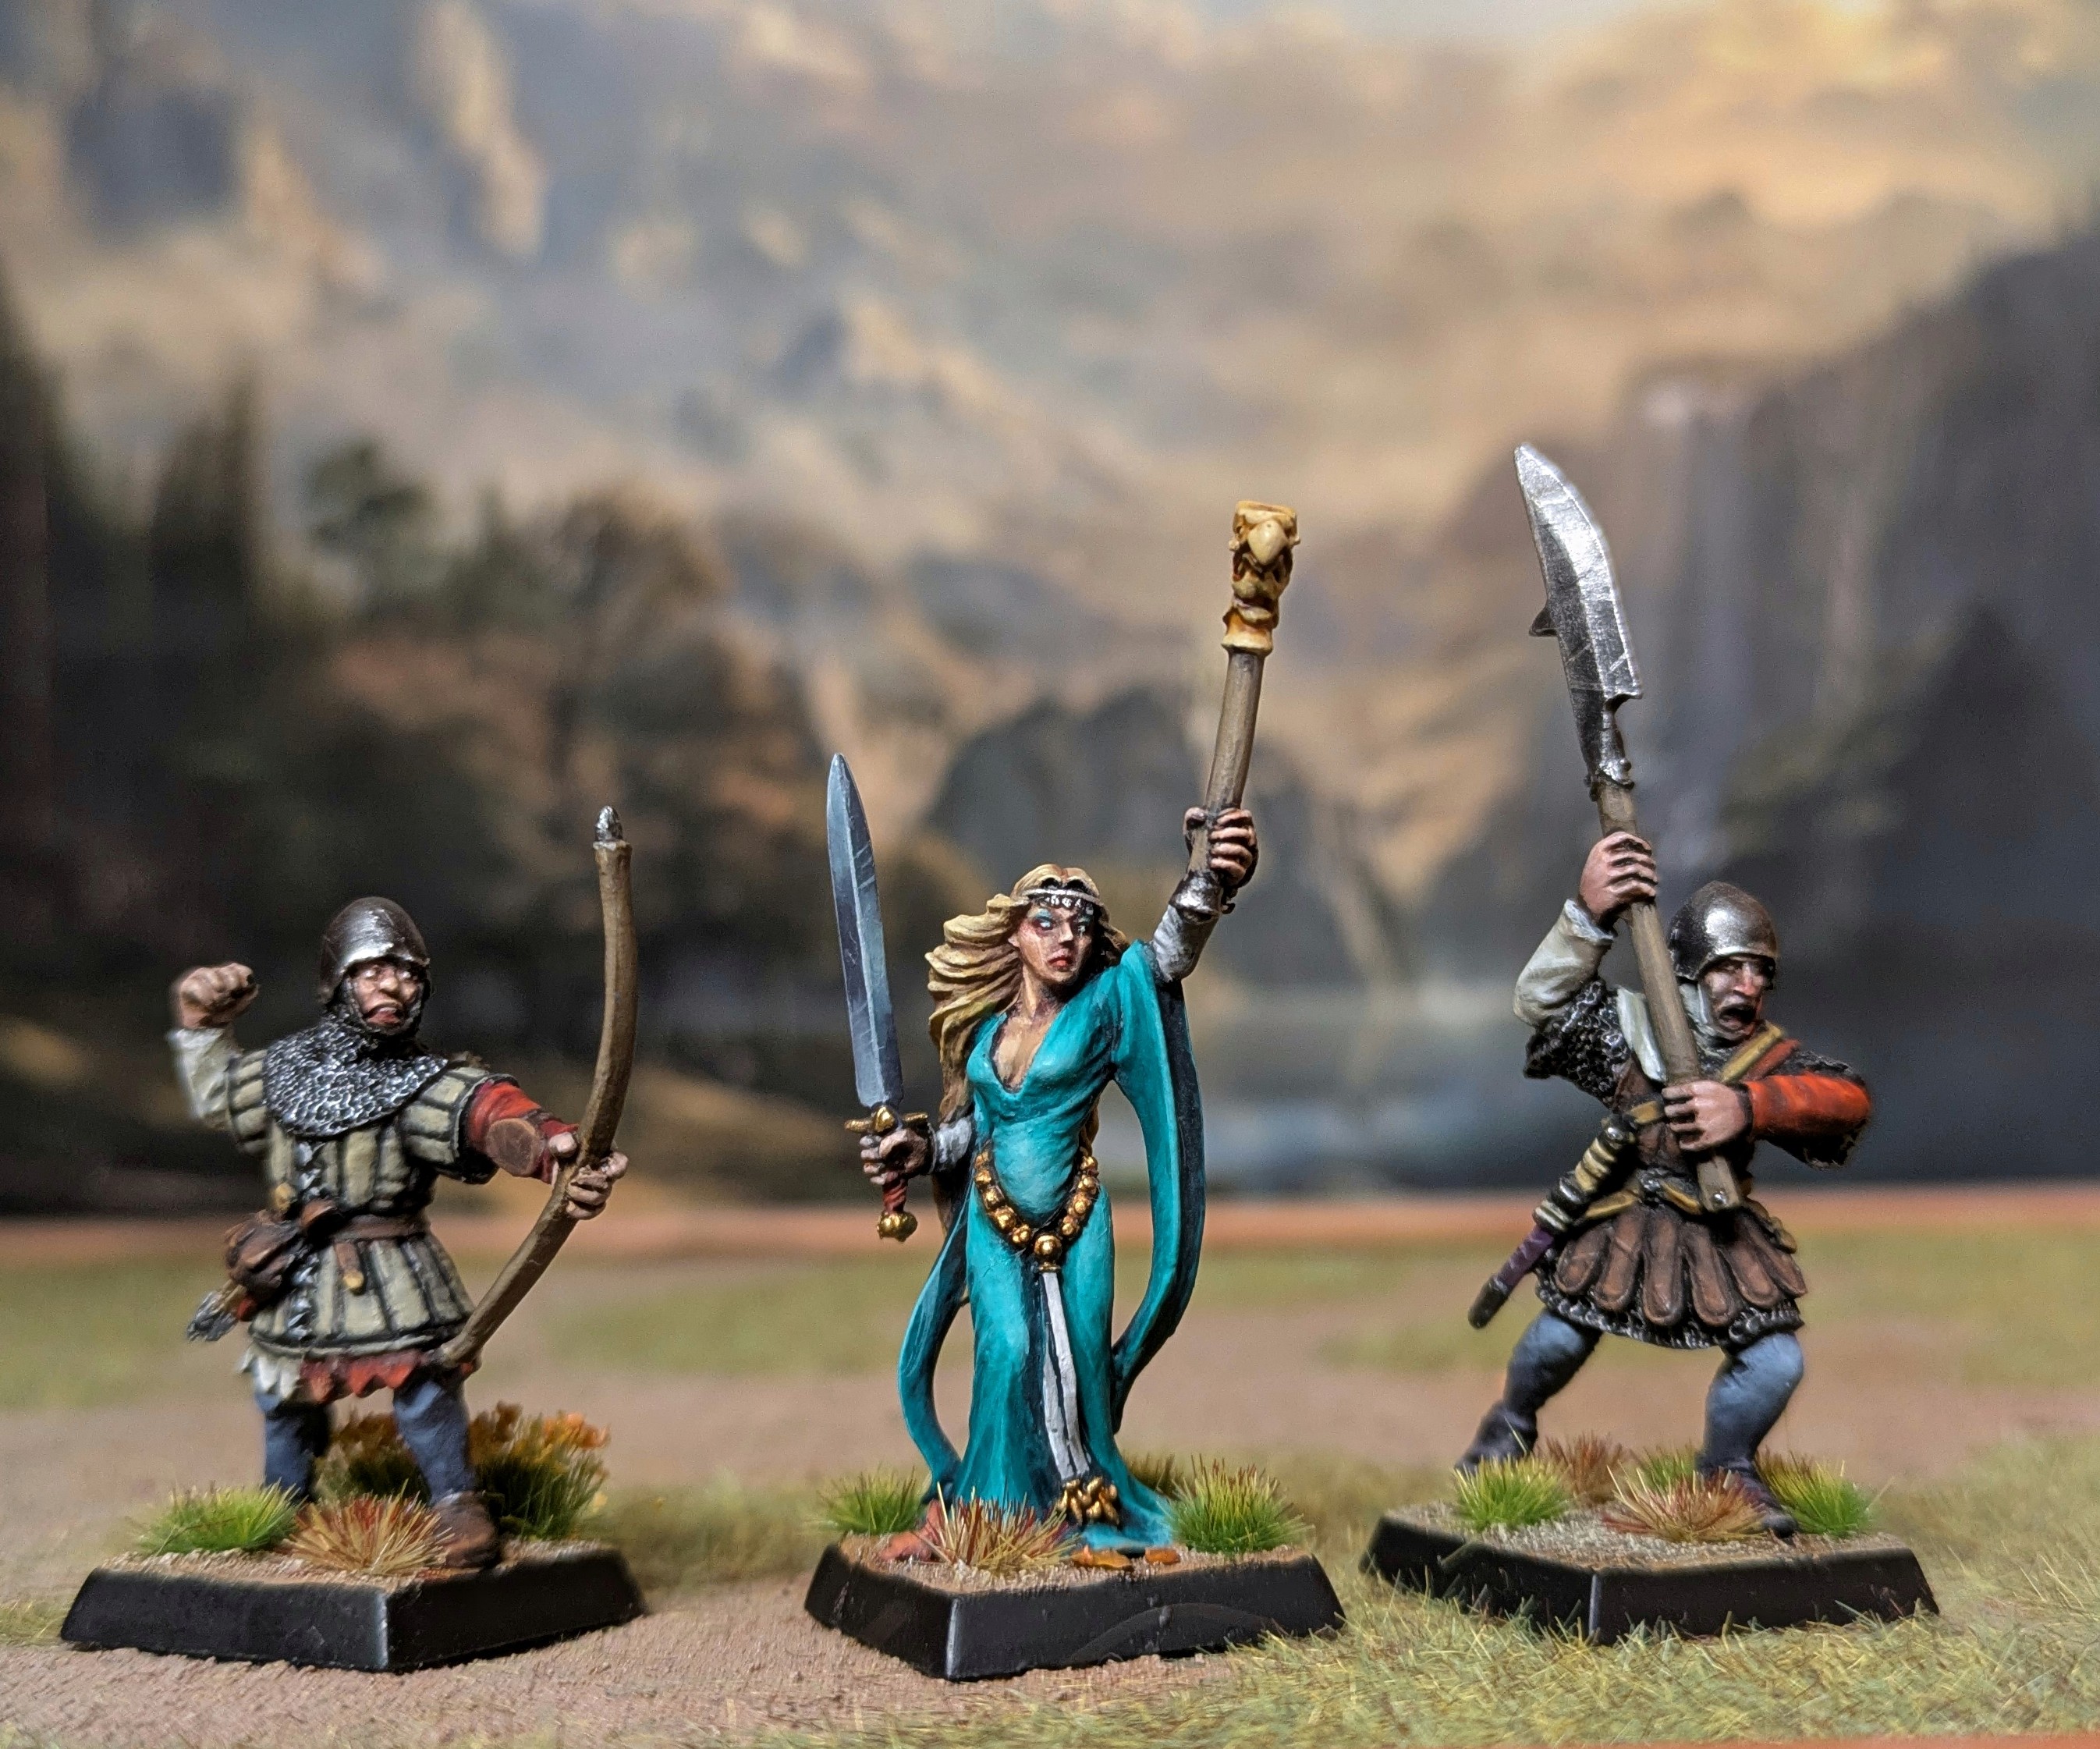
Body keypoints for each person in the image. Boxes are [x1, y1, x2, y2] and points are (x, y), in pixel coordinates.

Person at [168, 897, 626, 1567]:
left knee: (425, 1386)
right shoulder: (284, 1069)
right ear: (339, 983)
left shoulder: (423, 1082)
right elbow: (219, 1097)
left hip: (392, 1268)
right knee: (285, 1396)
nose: (394, 987)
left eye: (409, 974)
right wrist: (202, 1027)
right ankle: (283, 1506)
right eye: (374, 971)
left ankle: (455, 1505)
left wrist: (559, 1150)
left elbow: (490, 1113)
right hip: (292, 1271)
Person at [862, 808, 1257, 1552]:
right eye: (1045, 923)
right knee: (1005, 1351)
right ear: (1014, 934)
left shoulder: (1105, 1006)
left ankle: (1083, 1505)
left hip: (1077, 1220)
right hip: (994, 1219)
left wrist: (1209, 879)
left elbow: (1164, 958)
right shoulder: (987, 1033)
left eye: (1078, 926)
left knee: (1079, 1360)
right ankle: (991, 1515)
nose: (1064, 939)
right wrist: (921, 1150)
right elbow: (975, 1126)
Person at [1460, 831, 1871, 1534]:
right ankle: (1509, 1427)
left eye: (1759, 972)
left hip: (1717, 1232)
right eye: (1729, 969)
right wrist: (1589, 915)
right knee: (1557, 1342)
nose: (1748, 987)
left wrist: (1748, 1106)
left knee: (1775, 1361)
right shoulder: (1630, 1032)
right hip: (1626, 1221)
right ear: (1690, 973)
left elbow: (1847, 1101)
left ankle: (1728, 1470)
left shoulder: (1769, 1059)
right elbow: (1541, 1001)